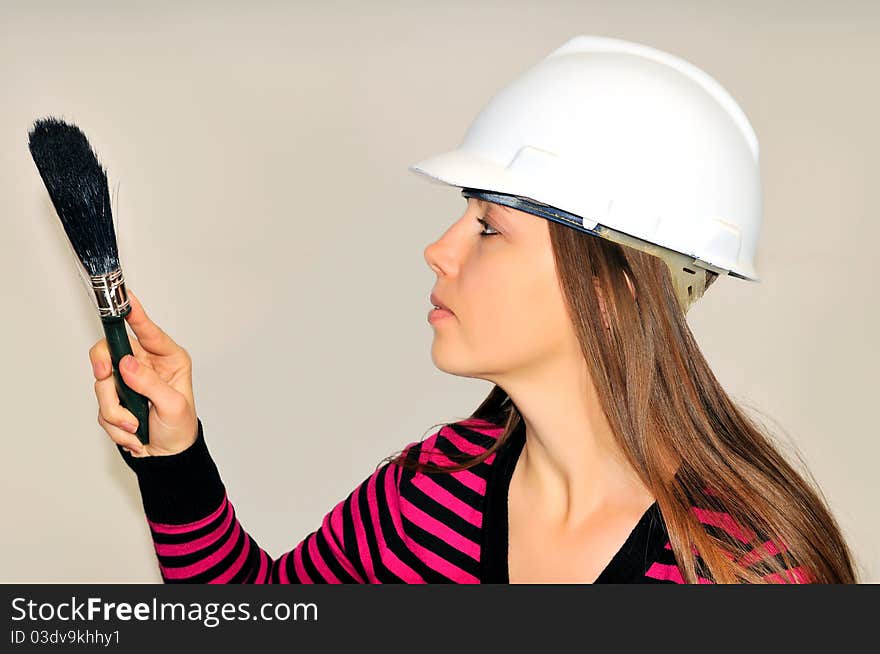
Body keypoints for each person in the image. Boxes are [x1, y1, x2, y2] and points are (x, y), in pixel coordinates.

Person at [89, 36, 858, 583]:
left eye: (490, 228)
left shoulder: (742, 571)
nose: (440, 250)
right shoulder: (431, 494)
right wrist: (176, 461)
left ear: (614, 285)